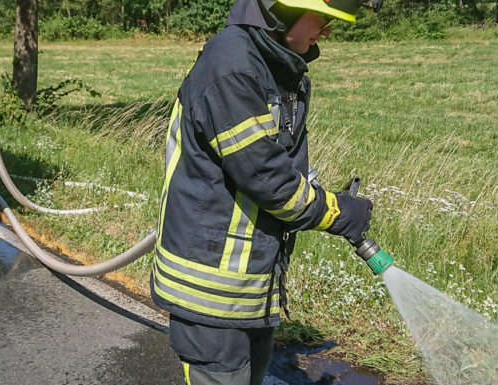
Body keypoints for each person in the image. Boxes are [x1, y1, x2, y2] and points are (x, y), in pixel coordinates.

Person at [151, 0, 382, 383]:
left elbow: (283, 164)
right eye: (322, 19)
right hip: (210, 291)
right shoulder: (232, 68)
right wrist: (337, 213)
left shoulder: (277, 67)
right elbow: (269, 180)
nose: (326, 31)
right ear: (280, 11)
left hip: (251, 287)